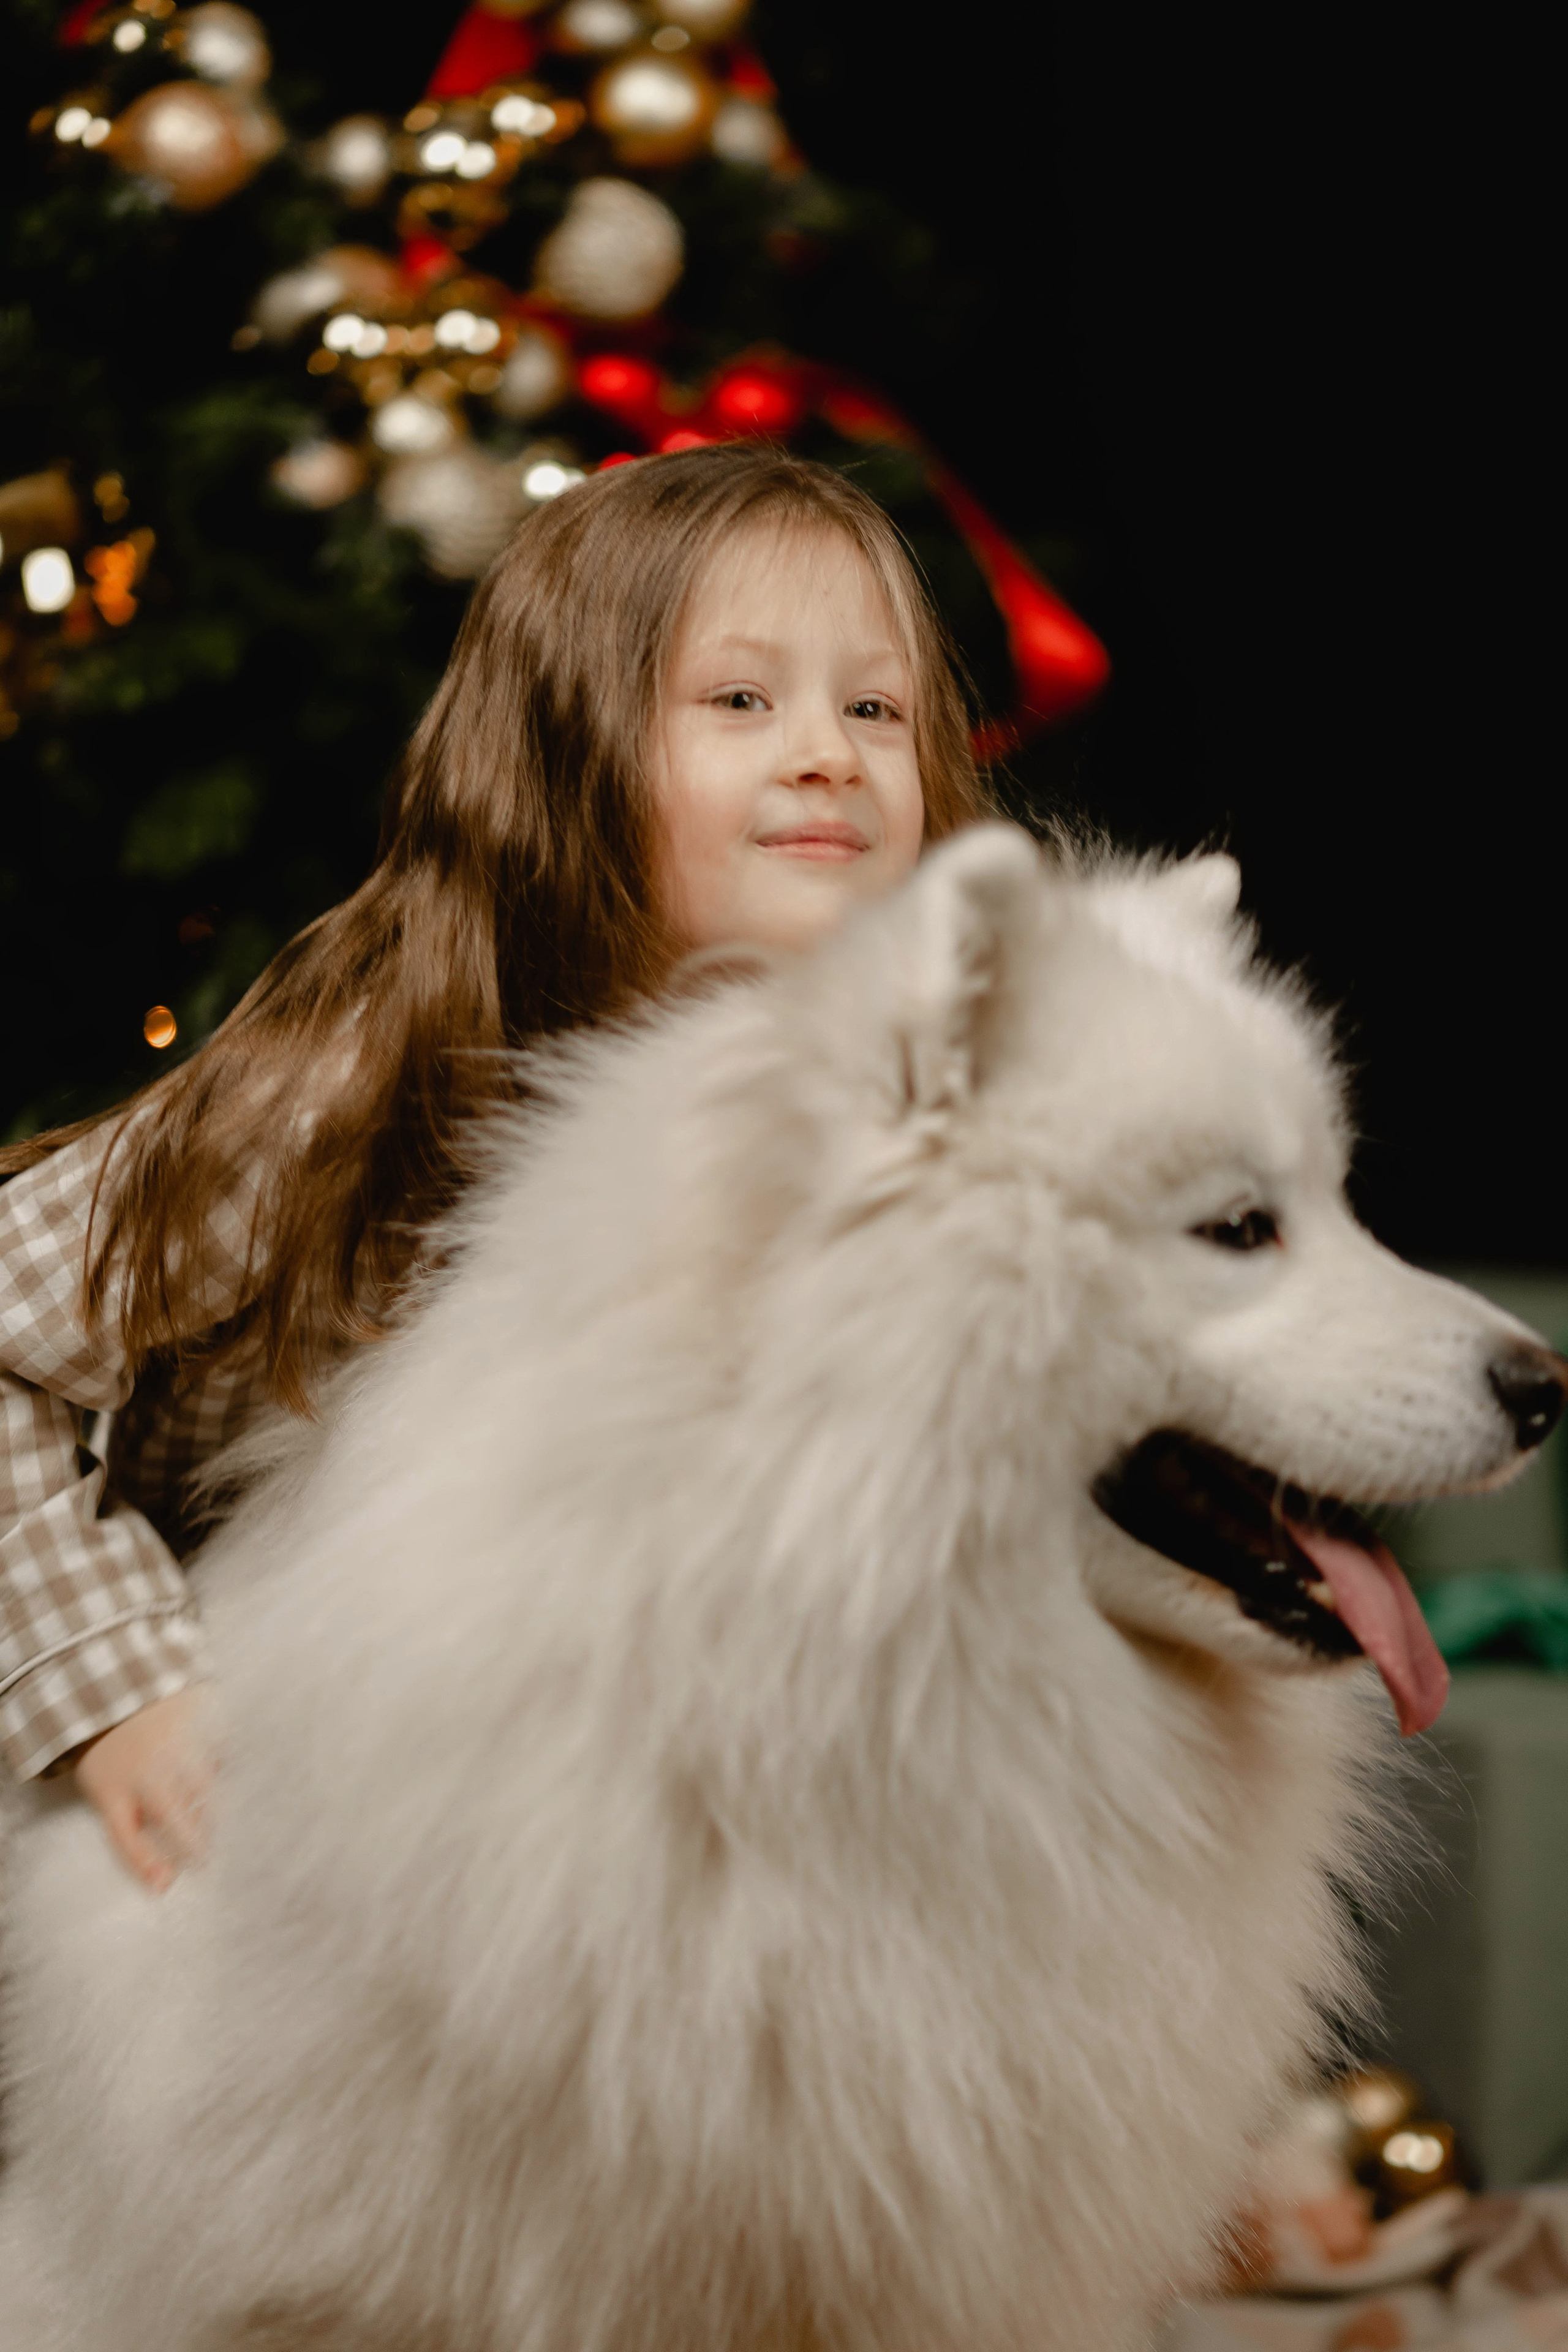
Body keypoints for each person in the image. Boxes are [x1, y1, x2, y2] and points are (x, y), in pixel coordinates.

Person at [0, 443, 990, 1894]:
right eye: (737, 700)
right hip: (256, 1816)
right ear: (568, 748)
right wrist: (115, 1685)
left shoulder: (915, 1103)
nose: (827, 752)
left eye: (874, 706)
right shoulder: (362, 1080)